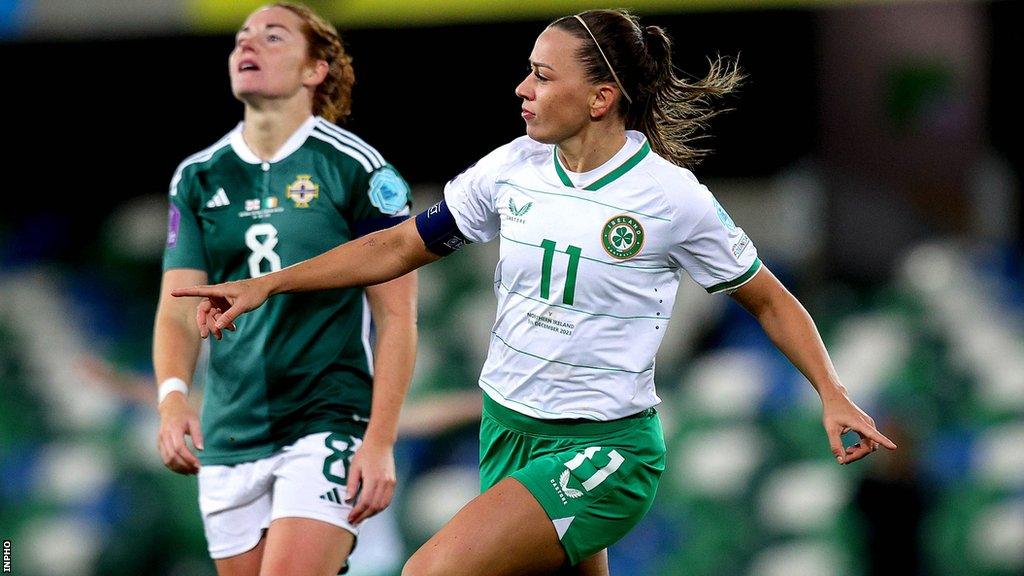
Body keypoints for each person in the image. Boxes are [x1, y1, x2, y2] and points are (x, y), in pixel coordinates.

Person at [174, 9, 897, 576]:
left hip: (605, 450)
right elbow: (399, 246)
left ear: (600, 97)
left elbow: (770, 299)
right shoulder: (513, 169)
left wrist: (833, 393)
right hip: (508, 430)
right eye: (527, 73)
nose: (522, 89)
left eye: (542, 77)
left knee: (433, 569)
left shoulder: (671, 199)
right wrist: (270, 283)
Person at [152, 3, 417, 575]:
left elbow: (398, 319)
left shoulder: (359, 169)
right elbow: (176, 310)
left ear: (314, 69)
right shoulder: (198, 176)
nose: (249, 45)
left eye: (273, 37)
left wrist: (380, 440)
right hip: (229, 434)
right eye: (242, 37)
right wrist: (172, 397)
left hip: (326, 421)